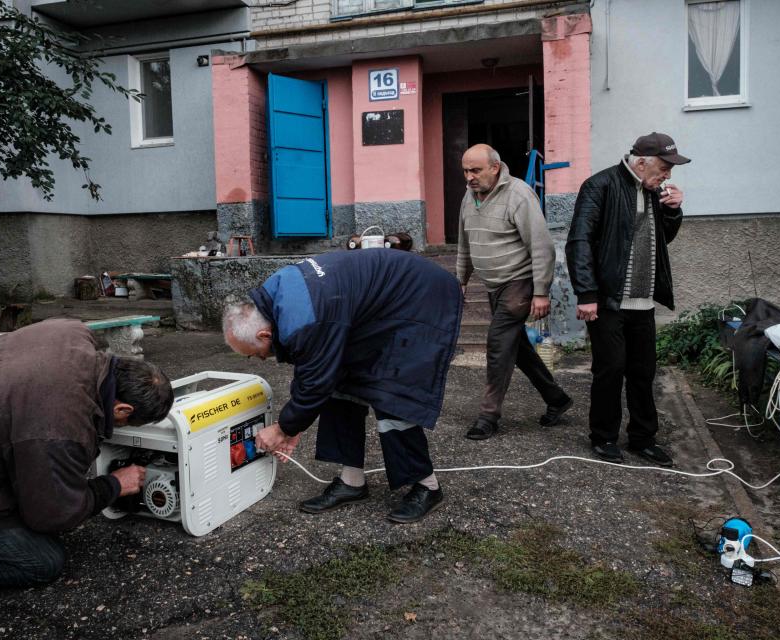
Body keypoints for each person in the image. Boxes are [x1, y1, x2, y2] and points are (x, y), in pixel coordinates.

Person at [222, 249, 462, 524]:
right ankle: (352, 482)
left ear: (264, 333)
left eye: (256, 352)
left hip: (418, 299)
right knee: (340, 387)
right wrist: (295, 424)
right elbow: (314, 368)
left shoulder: (305, 317)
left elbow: (314, 380)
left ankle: (427, 486)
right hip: (370, 309)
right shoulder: (277, 300)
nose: (260, 359)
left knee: (393, 393)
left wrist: (283, 429)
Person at [0, 319, 174, 586]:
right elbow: (52, 515)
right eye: (126, 423)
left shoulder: (72, 331)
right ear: (123, 410)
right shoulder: (60, 427)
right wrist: (113, 484)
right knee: (43, 561)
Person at [566, 132, 690, 467]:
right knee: (610, 369)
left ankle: (642, 438)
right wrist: (587, 294)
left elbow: (661, 240)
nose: (667, 175)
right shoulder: (600, 185)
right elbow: (579, 240)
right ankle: (603, 436)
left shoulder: (654, 193)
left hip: (643, 301)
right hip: (608, 301)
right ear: (641, 161)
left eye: (670, 170)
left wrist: (673, 211)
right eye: (664, 167)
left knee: (643, 372)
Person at [455, 143, 572, 441]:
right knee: (516, 348)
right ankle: (556, 399)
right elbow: (465, 243)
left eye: (476, 170)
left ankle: (488, 416)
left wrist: (541, 291)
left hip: (518, 282)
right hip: (494, 285)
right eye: (466, 170)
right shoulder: (469, 198)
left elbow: (541, 245)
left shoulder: (518, 195)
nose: (469, 176)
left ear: (495, 167)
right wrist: (461, 279)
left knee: (498, 344)